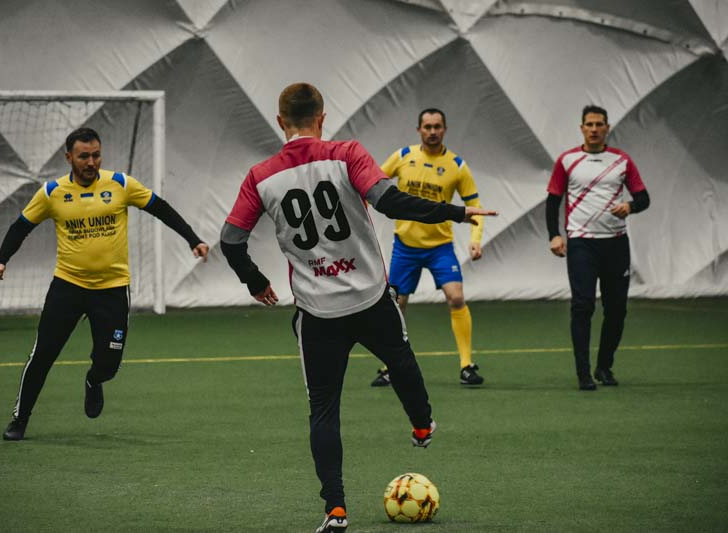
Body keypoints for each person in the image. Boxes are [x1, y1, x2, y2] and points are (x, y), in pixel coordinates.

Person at [220, 83, 496, 533]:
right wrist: (456, 213)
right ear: (322, 117)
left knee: (323, 410)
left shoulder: (260, 176)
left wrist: (255, 281)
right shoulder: (347, 154)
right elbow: (390, 201)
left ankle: (335, 509)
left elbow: (231, 240)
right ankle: (422, 425)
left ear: (280, 121)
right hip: (370, 299)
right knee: (400, 358)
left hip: (317, 312)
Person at [0, 127, 209, 441]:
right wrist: (1, 260)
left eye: (96, 155)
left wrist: (193, 239)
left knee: (109, 364)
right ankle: (19, 419)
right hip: (68, 287)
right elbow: (21, 226)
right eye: (84, 156)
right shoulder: (52, 192)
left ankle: (94, 380)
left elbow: (160, 208)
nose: (91, 162)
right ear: (69, 157)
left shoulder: (120, 184)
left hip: (113, 290)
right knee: (42, 356)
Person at [370, 108, 486, 388]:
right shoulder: (402, 157)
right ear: (419, 130)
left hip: (440, 248)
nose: (432, 132)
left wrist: (475, 238)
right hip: (405, 247)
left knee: (456, 298)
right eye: (427, 127)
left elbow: (475, 206)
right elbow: (371, 184)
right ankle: (389, 367)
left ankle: (466, 366)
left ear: (444, 129)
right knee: (396, 305)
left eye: (437, 127)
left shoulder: (457, 166)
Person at [545, 105, 650, 391]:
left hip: (616, 243)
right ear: (582, 128)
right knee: (583, 306)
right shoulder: (567, 160)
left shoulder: (622, 161)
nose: (594, 129)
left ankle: (604, 366)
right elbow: (553, 200)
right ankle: (583, 373)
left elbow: (643, 198)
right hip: (582, 242)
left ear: (607, 128)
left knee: (616, 310)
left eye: (599, 124)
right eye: (589, 124)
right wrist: (554, 236)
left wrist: (629, 206)